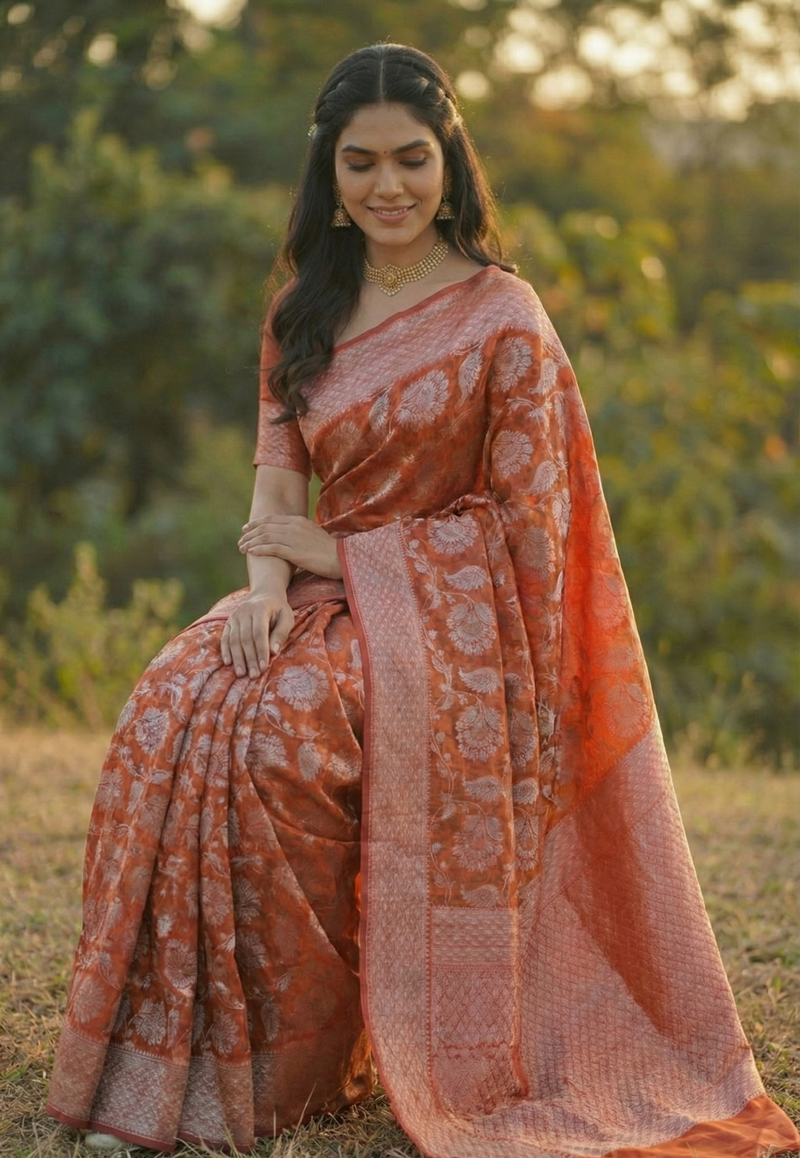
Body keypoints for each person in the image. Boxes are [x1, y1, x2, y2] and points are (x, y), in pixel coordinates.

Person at [47, 43, 799, 1158]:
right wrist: (261, 588)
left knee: (279, 740)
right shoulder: (306, 307)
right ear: (329, 174)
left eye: (410, 159)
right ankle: (189, 1056)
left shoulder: (502, 316)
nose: (387, 186)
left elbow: (527, 528)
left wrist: (344, 554)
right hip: (307, 591)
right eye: (360, 164)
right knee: (167, 710)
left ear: (448, 162)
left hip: (450, 634)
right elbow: (274, 472)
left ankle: (285, 1070)